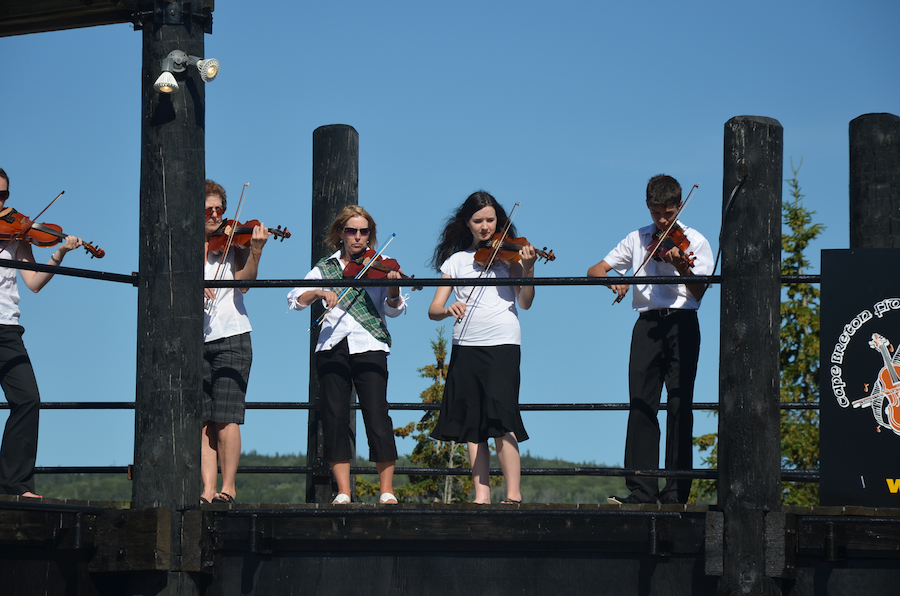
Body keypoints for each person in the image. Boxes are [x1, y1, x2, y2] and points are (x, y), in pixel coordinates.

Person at [587, 174, 713, 505]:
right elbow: (595, 269)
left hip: (683, 324)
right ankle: (642, 490)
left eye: (669, 213)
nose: (662, 220)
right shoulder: (637, 239)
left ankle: (676, 492)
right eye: (657, 213)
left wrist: (682, 269)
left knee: (679, 405)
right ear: (648, 207)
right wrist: (613, 281)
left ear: (679, 207)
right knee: (641, 404)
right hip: (646, 326)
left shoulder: (695, 241)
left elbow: (700, 289)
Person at [287, 206, 406, 505]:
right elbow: (295, 299)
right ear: (341, 233)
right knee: (335, 416)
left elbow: (394, 309)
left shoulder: (379, 264)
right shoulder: (324, 268)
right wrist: (319, 293)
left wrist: (393, 286)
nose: (358, 237)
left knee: (377, 414)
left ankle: (387, 490)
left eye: (364, 231)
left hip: (370, 344)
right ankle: (343, 491)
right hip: (332, 346)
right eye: (352, 231)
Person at [427, 191, 537, 504]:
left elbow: (525, 302)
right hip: (466, 344)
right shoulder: (457, 261)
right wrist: (449, 310)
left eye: (490, 220)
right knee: (472, 424)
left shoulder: (511, 257)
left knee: (503, 418)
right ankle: (482, 496)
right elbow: (434, 308)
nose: (485, 226)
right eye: (479, 221)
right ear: (467, 223)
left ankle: (513, 495)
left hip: (502, 341)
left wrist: (528, 269)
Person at [0, 168, 84, 498]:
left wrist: (59, 254)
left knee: (28, 400)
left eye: (5, 196)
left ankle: (13, 485)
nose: (2, 203)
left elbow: (33, 282)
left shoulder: (16, 234)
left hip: (7, 329)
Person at [201, 180, 268, 505]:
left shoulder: (232, 244)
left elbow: (244, 284)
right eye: (208, 210)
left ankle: (228, 487)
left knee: (226, 414)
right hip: (195, 339)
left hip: (232, 335)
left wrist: (254, 250)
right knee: (202, 419)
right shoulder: (184, 247)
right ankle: (206, 489)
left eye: (219, 210)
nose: (215, 216)